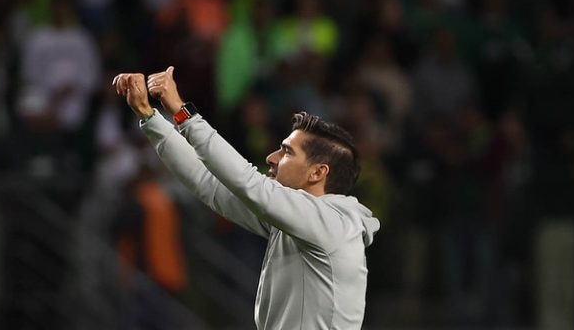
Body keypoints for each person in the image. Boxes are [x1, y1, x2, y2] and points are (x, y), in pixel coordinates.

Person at [112, 66, 380, 329]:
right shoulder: (297, 223)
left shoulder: (334, 224)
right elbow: (209, 184)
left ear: (318, 172)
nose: (271, 158)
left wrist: (183, 113)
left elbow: (249, 182)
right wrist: (149, 116)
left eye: (286, 152)